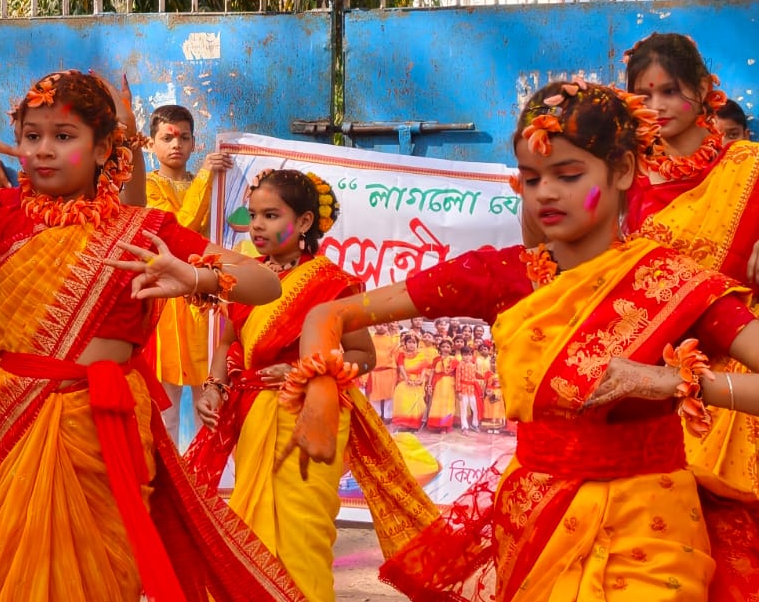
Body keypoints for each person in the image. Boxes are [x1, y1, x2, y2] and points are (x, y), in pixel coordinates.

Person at [295, 79, 759, 600]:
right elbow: (329, 315)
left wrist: (675, 381)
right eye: (531, 177)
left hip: (651, 527)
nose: (546, 194)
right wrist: (319, 395)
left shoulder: (672, 282)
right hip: (536, 522)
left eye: (569, 174)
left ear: (624, 170)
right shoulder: (503, 277)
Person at [0, 69, 306, 602]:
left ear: (102, 150)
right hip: (13, 423)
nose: (44, 150)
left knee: (98, 577)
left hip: (102, 430)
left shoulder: (145, 231)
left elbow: (262, 283)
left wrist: (194, 276)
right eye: (32, 136)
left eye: (64, 136)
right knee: (5, 571)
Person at [181, 168, 437, 602]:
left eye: (270, 215)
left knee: (303, 531)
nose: (256, 225)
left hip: (311, 416)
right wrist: (213, 387)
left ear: (303, 223)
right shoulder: (245, 276)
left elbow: (364, 356)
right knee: (251, 529)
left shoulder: (331, 282)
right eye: (253, 215)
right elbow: (229, 343)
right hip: (254, 418)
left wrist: (307, 368)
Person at [624, 33, 759, 507]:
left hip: (737, 375)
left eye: (670, 91)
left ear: (703, 89)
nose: (657, 106)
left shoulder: (748, 168)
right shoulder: (626, 175)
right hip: (648, 376)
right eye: (644, 94)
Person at [143, 104, 231, 444]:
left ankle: (203, 482)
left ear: (195, 142)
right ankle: (166, 484)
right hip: (166, 302)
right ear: (152, 144)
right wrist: (208, 177)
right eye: (167, 137)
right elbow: (176, 230)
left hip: (203, 299)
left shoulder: (211, 184)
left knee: (206, 398)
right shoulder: (148, 188)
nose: (175, 144)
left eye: (183, 137)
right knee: (164, 404)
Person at [390, 331, 431, 431]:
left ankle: (414, 424)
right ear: (405, 343)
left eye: (413, 342)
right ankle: (404, 423)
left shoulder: (421, 355)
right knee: (401, 391)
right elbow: (401, 367)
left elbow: (423, 369)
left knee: (416, 400)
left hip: (418, 380)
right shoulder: (401, 354)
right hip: (406, 379)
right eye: (409, 342)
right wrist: (406, 379)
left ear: (417, 344)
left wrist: (420, 379)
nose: (411, 345)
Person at [425, 337, 458, 431]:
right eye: (443, 346)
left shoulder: (454, 360)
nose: (445, 348)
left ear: (451, 348)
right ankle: (436, 425)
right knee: (437, 404)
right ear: (440, 348)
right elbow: (432, 372)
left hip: (450, 384)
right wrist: (429, 384)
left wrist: (457, 386)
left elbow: (457, 374)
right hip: (438, 384)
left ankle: (445, 425)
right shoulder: (436, 359)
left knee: (448, 405)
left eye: (447, 347)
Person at [367, 323, 398, 422]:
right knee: (374, 395)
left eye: (384, 325)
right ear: (374, 326)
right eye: (379, 325)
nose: (381, 327)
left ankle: (388, 416)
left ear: (388, 326)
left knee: (389, 395)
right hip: (375, 371)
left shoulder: (392, 339)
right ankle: (377, 415)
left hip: (389, 370)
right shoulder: (370, 338)